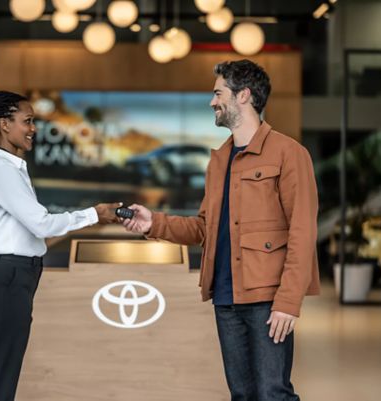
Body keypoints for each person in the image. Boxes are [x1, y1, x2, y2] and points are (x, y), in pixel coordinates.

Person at [122, 60, 320, 401]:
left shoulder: (289, 154)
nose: (212, 102)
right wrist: (153, 222)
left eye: (218, 93)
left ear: (243, 96)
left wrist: (287, 302)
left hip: (266, 300)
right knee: (242, 395)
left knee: (273, 393)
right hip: (226, 298)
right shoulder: (220, 161)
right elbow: (203, 228)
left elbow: (302, 232)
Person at [0, 91, 119, 401]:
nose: (34, 129)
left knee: (1, 378)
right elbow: (41, 224)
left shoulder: (11, 169)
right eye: (28, 121)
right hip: (6, 279)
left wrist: (91, 222)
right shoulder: (3, 170)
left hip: (13, 278)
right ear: (4, 124)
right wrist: (93, 213)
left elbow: (36, 236)